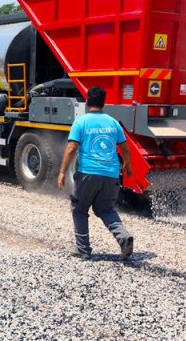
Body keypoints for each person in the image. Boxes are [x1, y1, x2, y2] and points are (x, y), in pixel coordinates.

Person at [57, 86, 134, 260]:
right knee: (106, 209)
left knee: (79, 208)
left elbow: (71, 147)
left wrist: (62, 171)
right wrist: (127, 165)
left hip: (88, 173)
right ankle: (123, 237)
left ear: (87, 102)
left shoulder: (81, 122)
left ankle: (83, 249)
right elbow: (125, 148)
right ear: (104, 103)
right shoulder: (113, 122)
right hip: (111, 174)